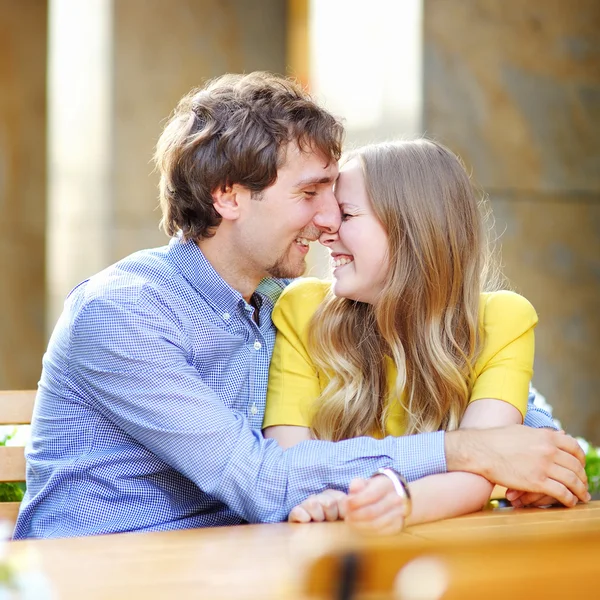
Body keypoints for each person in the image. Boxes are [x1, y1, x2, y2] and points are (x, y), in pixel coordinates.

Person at [14, 73, 588, 540]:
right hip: (106, 568)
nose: (327, 219)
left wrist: (534, 455)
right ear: (229, 196)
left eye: (334, 197)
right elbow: (262, 481)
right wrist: (471, 450)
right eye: (309, 194)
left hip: (246, 560)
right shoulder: (123, 313)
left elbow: (491, 385)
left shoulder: (281, 307)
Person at [263, 139, 589, 533]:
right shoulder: (302, 309)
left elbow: (484, 464)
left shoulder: (503, 320)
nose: (326, 230)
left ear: (411, 231)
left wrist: (397, 501)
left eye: (346, 214)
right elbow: (287, 460)